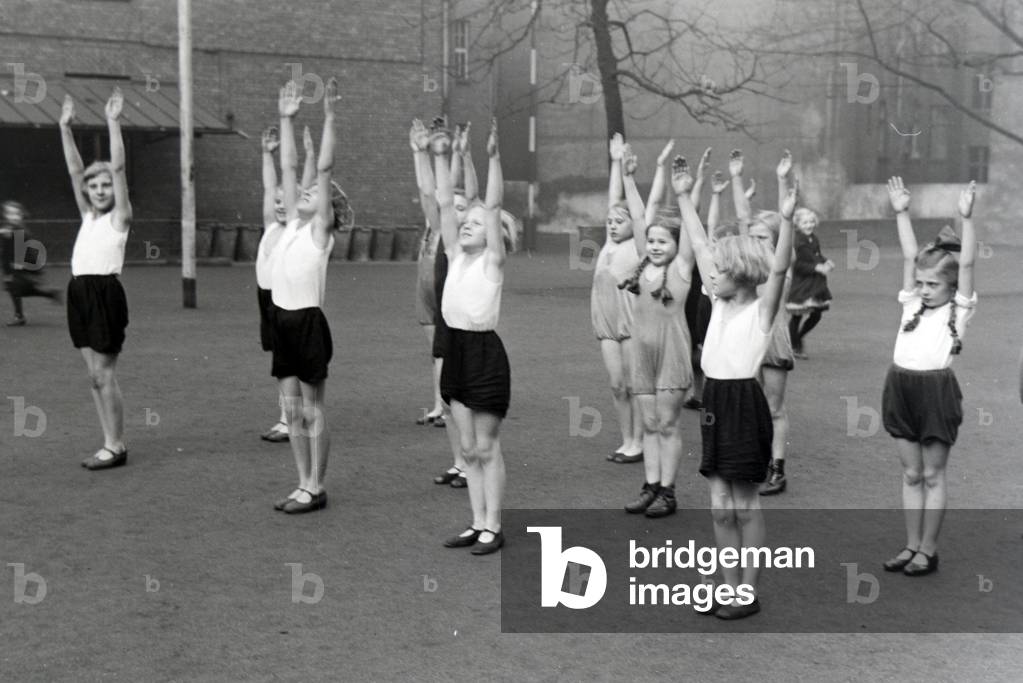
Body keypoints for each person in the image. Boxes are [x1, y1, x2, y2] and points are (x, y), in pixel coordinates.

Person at [677, 152, 796, 619]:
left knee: (744, 506)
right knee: (719, 506)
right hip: (715, 402)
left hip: (744, 403)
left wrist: (785, 221)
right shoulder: (720, 304)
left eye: (720, 273)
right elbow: (703, 246)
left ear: (742, 274)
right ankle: (729, 589)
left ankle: (748, 593)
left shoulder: (759, 312)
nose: (711, 276)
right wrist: (686, 196)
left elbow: (781, 271)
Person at [881, 177, 978, 576]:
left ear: (952, 287)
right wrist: (902, 211)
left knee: (934, 473)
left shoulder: (958, 310)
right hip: (901, 385)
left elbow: (968, 262)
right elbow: (909, 256)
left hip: (935, 392)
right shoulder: (911, 303)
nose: (923, 289)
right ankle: (910, 544)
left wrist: (967, 219)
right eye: (921, 283)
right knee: (911, 472)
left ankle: (928, 549)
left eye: (933, 284)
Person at [437, 119, 512, 555]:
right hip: (456, 350)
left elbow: (495, 201)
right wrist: (447, 155)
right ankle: (477, 521)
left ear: (493, 234)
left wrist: (493, 158)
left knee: (486, 446)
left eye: (477, 223)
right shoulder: (453, 255)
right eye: (466, 221)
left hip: (484, 353)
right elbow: (447, 203)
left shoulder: (491, 263)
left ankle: (494, 525)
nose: (466, 224)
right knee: (466, 448)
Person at [269, 79, 342, 514]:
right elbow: (291, 168)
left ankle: (316, 485)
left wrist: (331, 117)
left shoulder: (319, 231)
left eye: (316, 194)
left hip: (307, 323)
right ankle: (301, 481)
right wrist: (286, 120)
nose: (306, 191)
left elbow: (324, 169)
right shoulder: (293, 225)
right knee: (291, 410)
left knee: (313, 411)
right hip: (281, 320)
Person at [617, 143, 694, 518]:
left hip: (672, 354)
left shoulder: (681, 270)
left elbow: (693, 235)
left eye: (663, 241)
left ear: (677, 245)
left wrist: (684, 195)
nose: (655, 245)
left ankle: (668, 490)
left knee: (666, 423)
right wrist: (627, 175)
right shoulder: (642, 264)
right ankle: (650, 486)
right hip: (642, 353)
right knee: (648, 422)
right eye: (652, 240)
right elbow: (636, 216)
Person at [59, 90, 132, 470]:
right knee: (92, 376)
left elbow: (118, 169)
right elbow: (74, 170)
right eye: (95, 186)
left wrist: (113, 122)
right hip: (79, 291)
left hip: (104, 293)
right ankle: (108, 440)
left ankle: (115, 445)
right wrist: (64, 129)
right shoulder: (87, 215)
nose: (101, 190)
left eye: (105, 185)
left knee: (104, 373)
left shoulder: (120, 217)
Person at [255, 125, 315, 444]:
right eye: (276, 201)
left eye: (284, 201)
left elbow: (300, 186)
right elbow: (269, 188)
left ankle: (288, 417)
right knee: (279, 360)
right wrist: (267, 155)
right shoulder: (269, 225)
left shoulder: (295, 227)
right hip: (265, 299)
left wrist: (308, 157)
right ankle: (290, 413)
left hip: (284, 300)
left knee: (287, 361)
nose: (280, 204)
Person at [591, 133, 642, 463]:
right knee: (616, 386)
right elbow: (613, 200)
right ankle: (625, 439)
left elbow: (634, 212)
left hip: (629, 323)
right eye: (609, 221)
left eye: (618, 222)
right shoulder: (609, 244)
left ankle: (638, 441)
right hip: (606, 324)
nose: (611, 225)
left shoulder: (637, 246)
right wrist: (613, 161)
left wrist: (627, 173)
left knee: (635, 385)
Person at [0, 200, 61, 326]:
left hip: (24, 269)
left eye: (16, 214)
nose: (13, 217)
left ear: (21, 216)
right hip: (18, 269)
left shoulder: (20, 232)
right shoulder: (10, 229)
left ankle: (19, 317)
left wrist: (15, 271)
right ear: (5, 215)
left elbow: (25, 255)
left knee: (15, 286)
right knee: (19, 289)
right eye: (10, 214)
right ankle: (50, 294)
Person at [787, 206, 834, 358]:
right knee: (797, 315)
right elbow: (798, 265)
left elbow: (816, 255)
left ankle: (798, 338)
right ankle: (794, 346)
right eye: (805, 223)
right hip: (802, 283)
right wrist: (817, 267)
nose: (809, 225)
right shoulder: (798, 241)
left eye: (811, 222)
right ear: (798, 225)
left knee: (817, 314)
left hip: (815, 283)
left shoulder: (813, 238)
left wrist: (826, 261)